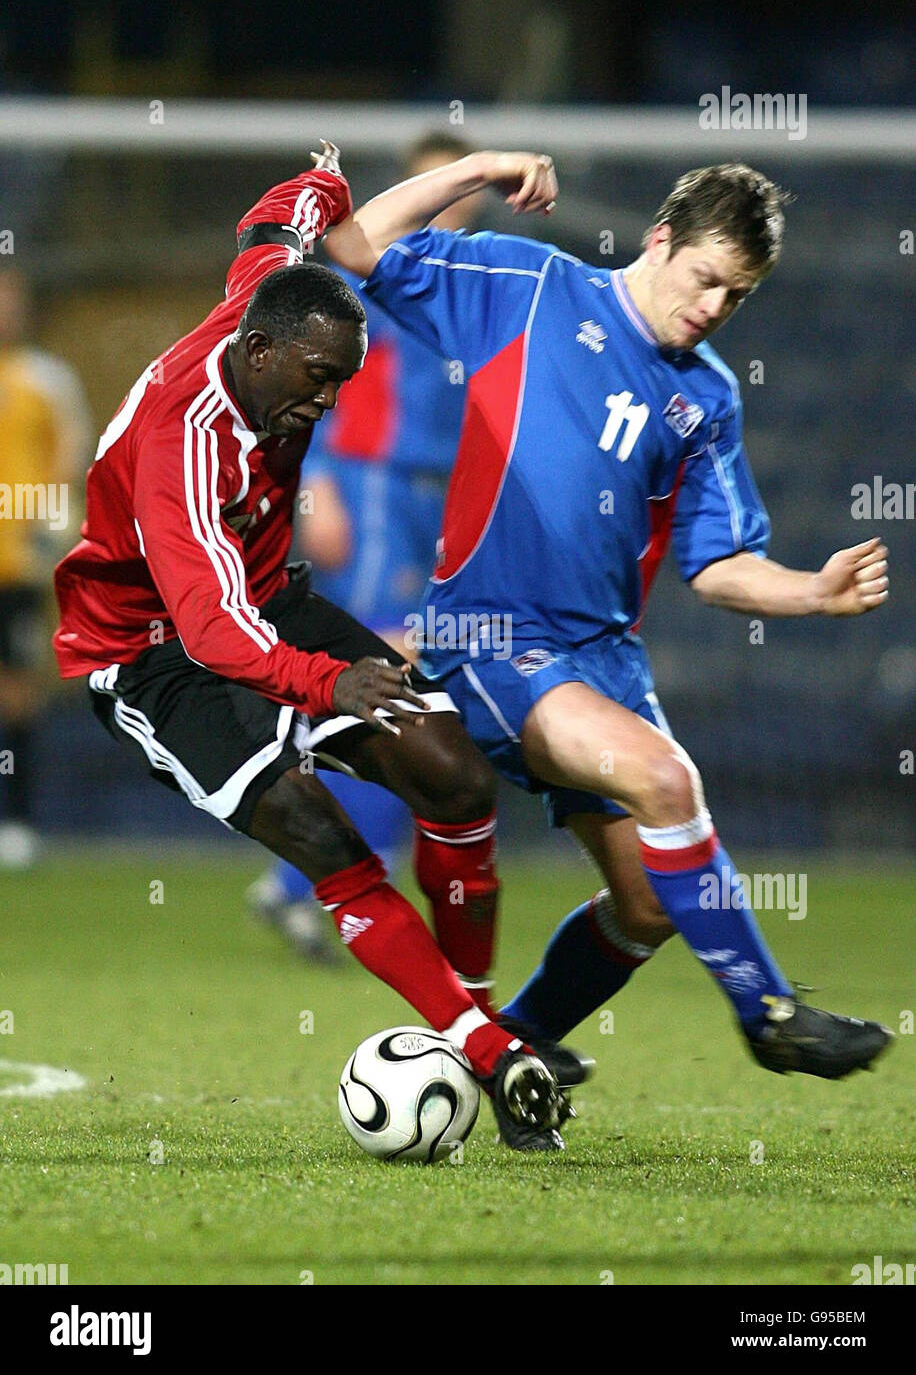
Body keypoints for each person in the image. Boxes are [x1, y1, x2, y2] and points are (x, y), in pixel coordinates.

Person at [323, 149, 892, 1115]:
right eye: (706, 278)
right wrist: (481, 166)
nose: (714, 308)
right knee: (668, 780)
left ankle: (510, 1049)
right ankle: (770, 1015)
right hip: (492, 636)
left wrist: (813, 592)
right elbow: (354, 242)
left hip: (603, 662)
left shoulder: (707, 397)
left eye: (738, 297)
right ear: (659, 241)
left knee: (646, 907)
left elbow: (716, 567)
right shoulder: (529, 287)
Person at [52, 144, 589, 1152]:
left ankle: (477, 1022)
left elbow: (312, 197)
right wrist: (333, 680)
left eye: (341, 384)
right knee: (318, 831)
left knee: (456, 779)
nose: (324, 405)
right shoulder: (185, 440)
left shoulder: (277, 295)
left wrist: (479, 166)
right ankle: (485, 1050)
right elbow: (211, 634)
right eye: (313, 383)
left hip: (271, 602)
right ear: (258, 356)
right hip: (153, 654)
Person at [252, 133, 489, 975]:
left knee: (409, 686)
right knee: (393, 679)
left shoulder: (467, 277)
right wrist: (317, 488)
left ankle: (313, 871)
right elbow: (319, 383)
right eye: (437, 186)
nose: (453, 202)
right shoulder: (373, 275)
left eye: (462, 189)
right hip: (375, 490)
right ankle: (302, 873)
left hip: (424, 497)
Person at [0, 268, 92, 868]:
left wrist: (51, 536)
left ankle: (16, 821)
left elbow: (72, 457)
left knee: (16, 691)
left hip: (15, 567)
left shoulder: (47, 380)